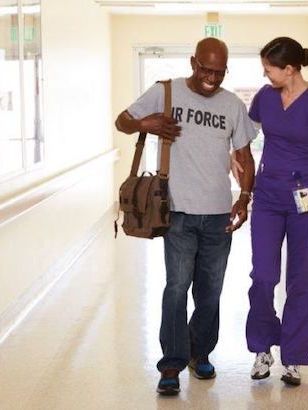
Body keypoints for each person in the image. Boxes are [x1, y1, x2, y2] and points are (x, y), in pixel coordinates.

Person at [114, 37, 257, 396]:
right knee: (177, 288)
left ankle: (201, 352)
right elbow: (122, 121)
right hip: (176, 210)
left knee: (210, 291)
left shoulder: (232, 105)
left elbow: (244, 155)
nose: (211, 77)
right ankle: (172, 365)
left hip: (218, 214)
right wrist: (144, 124)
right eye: (206, 69)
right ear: (193, 63)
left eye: (219, 72)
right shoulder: (165, 92)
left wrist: (244, 198)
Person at [243, 37, 308, 386]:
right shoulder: (265, 97)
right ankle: (262, 348)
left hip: (306, 204)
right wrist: (234, 164)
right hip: (267, 197)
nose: (265, 73)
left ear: (290, 68)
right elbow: (245, 135)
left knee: (302, 281)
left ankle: (294, 356)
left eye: (269, 68)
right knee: (264, 276)